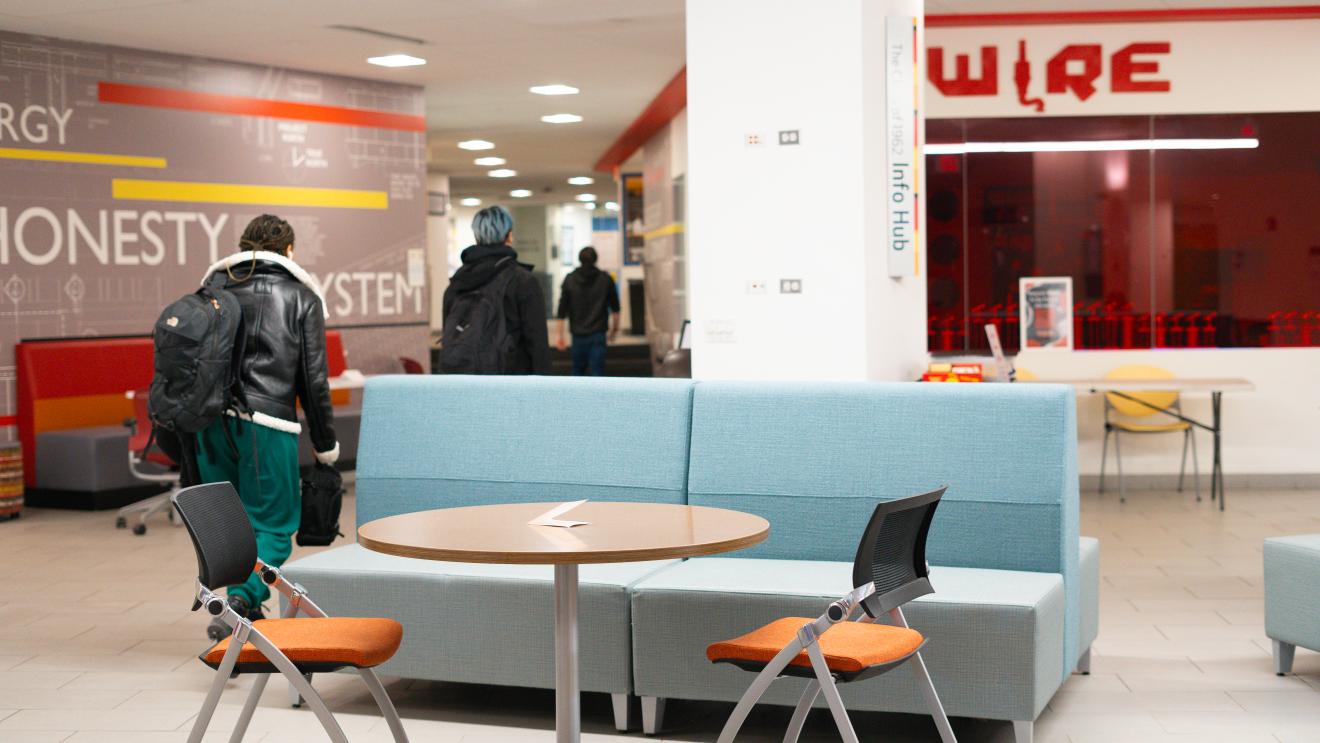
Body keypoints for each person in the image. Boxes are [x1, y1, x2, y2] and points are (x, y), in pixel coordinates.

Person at [196, 214, 338, 641]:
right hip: (267, 424)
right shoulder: (301, 297)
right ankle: (241, 600)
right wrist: (325, 445)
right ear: (289, 251)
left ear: (242, 247)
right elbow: (314, 381)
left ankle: (243, 614)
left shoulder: (213, 290)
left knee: (228, 524)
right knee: (274, 525)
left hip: (210, 423)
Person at [443, 205, 550, 374]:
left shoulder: (457, 283)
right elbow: (538, 345)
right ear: (509, 236)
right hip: (511, 383)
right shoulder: (523, 281)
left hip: (464, 381)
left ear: (476, 237)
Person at [555, 247, 620, 376]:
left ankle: (576, 397)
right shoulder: (606, 279)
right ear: (596, 259)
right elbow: (615, 308)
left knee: (577, 371)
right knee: (597, 371)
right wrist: (614, 330)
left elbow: (561, 310)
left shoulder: (570, 279)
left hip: (577, 334)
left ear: (579, 259)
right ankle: (598, 396)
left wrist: (559, 335)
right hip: (598, 333)